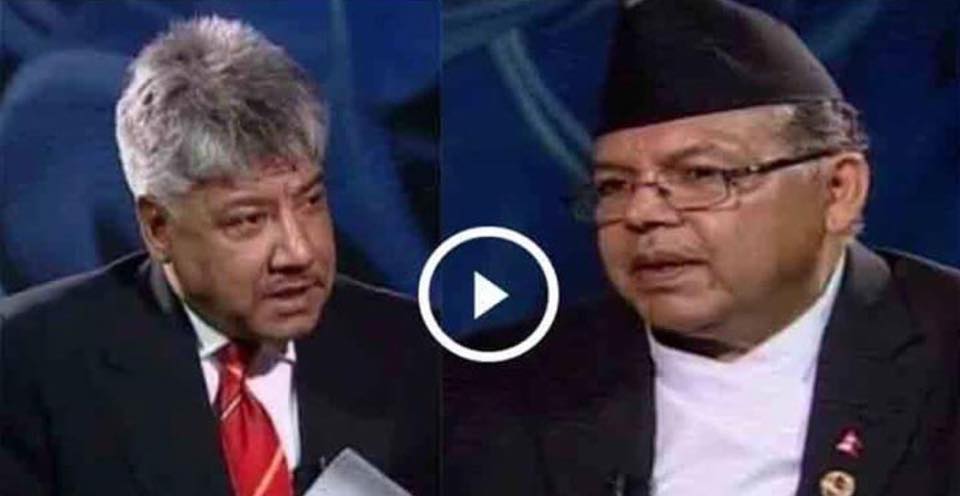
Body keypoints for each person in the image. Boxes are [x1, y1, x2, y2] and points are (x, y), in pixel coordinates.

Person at [444, 0, 960, 495]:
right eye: (614, 186)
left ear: (838, 190)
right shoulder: (497, 389)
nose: (641, 213)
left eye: (700, 175)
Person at [0, 16, 438, 496]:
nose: (299, 251)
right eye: (248, 219)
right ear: (158, 227)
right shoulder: (30, 364)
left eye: (310, 201)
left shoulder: (413, 349)